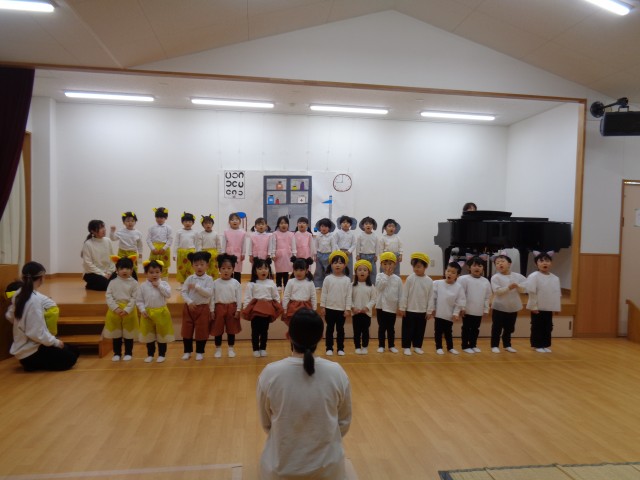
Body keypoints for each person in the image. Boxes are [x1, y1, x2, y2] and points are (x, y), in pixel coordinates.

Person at [257, 308, 352, 480]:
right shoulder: (336, 372)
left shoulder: (270, 373)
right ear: (321, 337)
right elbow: (344, 422)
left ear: (288, 335)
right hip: (329, 472)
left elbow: (266, 424)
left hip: (280, 472)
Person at [6, 262, 79, 371]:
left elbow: (9, 316)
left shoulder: (18, 293)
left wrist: (22, 325)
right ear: (41, 278)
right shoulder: (34, 300)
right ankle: (33, 365)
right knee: (71, 358)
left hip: (27, 348)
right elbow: (36, 333)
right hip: (30, 353)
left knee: (73, 350)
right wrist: (55, 342)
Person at [242, 257, 283, 357]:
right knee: (255, 331)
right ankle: (255, 348)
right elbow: (248, 297)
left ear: (269, 270)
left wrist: (276, 307)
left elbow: (276, 296)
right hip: (255, 310)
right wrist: (247, 309)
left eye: (265, 268)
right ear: (255, 271)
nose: (263, 271)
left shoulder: (271, 283)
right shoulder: (252, 284)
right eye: (260, 269)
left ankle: (263, 348)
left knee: (264, 331)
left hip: (267, 310)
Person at [137, 260, 174, 363]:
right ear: (146, 273)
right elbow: (139, 300)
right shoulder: (143, 286)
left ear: (161, 272)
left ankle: (162, 354)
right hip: (148, 314)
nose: (154, 275)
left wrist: (159, 286)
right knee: (149, 336)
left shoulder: (164, 284)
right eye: (151, 272)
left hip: (162, 312)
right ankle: (150, 354)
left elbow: (168, 295)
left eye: (157, 272)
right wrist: (142, 310)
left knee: (162, 335)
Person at [104, 256, 139, 361]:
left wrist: (127, 310)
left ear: (132, 270)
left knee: (129, 334)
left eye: (127, 268)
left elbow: (135, 298)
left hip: (129, 312)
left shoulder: (134, 283)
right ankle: (117, 353)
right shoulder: (112, 282)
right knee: (116, 334)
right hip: (115, 311)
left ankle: (128, 353)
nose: (125, 271)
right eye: (122, 268)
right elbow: (108, 296)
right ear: (117, 270)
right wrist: (115, 308)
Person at [181, 251, 214, 361]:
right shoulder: (190, 278)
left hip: (203, 308)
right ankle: (187, 351)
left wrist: (197, 287)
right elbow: (183, 292)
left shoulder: (209, 279)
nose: (199, 267)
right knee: (187, 330)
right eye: (196, 265)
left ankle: (200, 352)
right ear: (192, 266)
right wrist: (189, 302)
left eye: (202, 264)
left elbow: (208, 293)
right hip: (189, 308)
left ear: (207, 265)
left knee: (201, 331)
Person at [526, 252, 561, 353]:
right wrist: (533, 306)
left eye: (547, 261)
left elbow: (557, 294)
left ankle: (545, 344)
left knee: (548, 326)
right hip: (537, 307)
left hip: (549, 307)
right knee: (537, 326)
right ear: (536, 263)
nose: (544, 263)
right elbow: (531, 292)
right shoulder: (534, 276)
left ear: (551, 263)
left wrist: (556, 307)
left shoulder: (555, 278)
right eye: (541, 261)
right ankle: (537, 345)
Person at [490, 254, 526, 353]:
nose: (500, 264)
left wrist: (518, 286)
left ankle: (507, 345)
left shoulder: (518, 276)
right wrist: (509, 287)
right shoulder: (495, 277)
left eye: (502, 261)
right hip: (499, 307)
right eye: (497, 263)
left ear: (509, 264)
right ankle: (494, 345)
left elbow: (525, 288)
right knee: (497, 327)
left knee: (509, 328)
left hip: (513, 306)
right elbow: (497, 291)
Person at [399, 252, 433, 355]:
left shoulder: (429, 281)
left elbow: (431, 297)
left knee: (420, 330)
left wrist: (429, 311)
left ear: (425, 267)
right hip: (410, 310)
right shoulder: (410, 278)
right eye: (414, 267)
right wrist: (402, 308)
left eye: (418, 266)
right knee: (407, 330)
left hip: (422, 310)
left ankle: (417, 346)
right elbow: (405, 294)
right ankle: (406, 347)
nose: (416, 269)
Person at [428, 262, 466, 355]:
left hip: (449, 314)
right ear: (445, 271)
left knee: (448, 332)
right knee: (438, 332)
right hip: (439, 313)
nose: (449, 274)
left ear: (457, 275)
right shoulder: (437, 283)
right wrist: (432, 308)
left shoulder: (458, 287)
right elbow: (433, 297)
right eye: (448, 271)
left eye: (453, 272)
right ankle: (439, 347)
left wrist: (456, 313)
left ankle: (450, 348)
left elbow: (460, 301)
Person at [320, 251, 352, 356]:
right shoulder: (328, 279)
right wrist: (323, 306)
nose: (337, 265)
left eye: (340, 263)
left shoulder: (347, 280)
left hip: (341, 310)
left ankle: (340, 348)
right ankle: (329, 348)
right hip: (329, 308)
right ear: (331, 264)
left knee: (340, 330)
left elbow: (348, 296)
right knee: (329, 329)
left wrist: (347, 308)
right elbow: (324, 293)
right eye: (335, 262)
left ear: (345, 265)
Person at [210, 254, 242, 358]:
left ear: (233, 269)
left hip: (232, 308)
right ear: (219, 269)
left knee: (231, 330)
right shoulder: (215, 283)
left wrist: (238, 309)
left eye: (229, 268)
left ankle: (231, 349)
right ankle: (218, 349)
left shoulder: (235, 283)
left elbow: (239, 297)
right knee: (217, 329)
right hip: (218, 308)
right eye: (223, 268)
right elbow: (212, 297)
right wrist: (211, 310)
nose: (226, 271)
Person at [458, 256, 492, 354]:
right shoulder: (463, 279)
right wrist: (462, 307)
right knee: (466, 328)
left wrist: (486, 309)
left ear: (483, 268)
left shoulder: (485, 281)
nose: (477, 268)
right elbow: (460, 295)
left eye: (480, 266)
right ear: (469, 267)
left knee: (475, 329)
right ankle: (465, 346)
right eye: (474, 266)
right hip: (467, 310)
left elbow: (487, 297)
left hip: (478, 310)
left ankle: (473, 345)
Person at [376, 252, 402, 353]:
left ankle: (391, 345)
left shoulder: (398, 279)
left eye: (390, 263)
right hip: (381, 307)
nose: (388, 266)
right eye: (385, 264)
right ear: (381, 265)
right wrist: (386, 276)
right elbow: (379, 287)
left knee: (391, 328)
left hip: (392, 307)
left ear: (395, 264)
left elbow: (400, 294)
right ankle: (381, 345)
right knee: (382, 327)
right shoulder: (379, 276)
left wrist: (400, 307)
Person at [282, 257, 317, 334]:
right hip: (293, 307)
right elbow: (286, 296)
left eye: (301, 270)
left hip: (306, 307)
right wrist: (284, 308)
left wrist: (314, 309)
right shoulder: (291, 282)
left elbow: (313, 297)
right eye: (296, 270)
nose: (298, 272)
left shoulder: (310, 282)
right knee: (294, 327)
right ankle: (294, 339)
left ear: (306, 270)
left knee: (305, 327)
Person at [81, 219, 115, 291]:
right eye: (100, 228)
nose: (104, 230)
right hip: (92, 273)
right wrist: (103, 274)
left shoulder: (108, 241)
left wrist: (109, 272)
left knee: (121, 279)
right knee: (106, 285)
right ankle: (90, 285)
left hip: (107, 272)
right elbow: (88, 264)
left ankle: (98, 283)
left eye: (103, 227)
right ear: (92, 231)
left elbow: (112, 259)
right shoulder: (88, 244)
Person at [351, 259, 376, 355]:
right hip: (356, 313)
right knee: (356, 331)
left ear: (368, 273)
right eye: (360, 270)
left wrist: (367, 307)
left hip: (366, 314)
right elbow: (349, 298)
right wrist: (353, 307)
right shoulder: (352, 285)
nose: (362, 272)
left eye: (365, 270)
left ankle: (365, 347)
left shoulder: (371, 286)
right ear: (356, 272)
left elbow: (374, 299)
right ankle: (357, 347)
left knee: (365, 331)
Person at [109, 211, 143, 279]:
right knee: (120, 266)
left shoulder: (138, 233)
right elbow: (113, 239)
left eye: (132, 221)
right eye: (127, 221)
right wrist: (112, 231)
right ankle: (119, 280)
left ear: (135, 222)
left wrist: (140, 254)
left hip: (132, 253)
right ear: (124, 222)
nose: (130, 223)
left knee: (133, 267)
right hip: (122, 252)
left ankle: (134, 281)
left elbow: (140, 245)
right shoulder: (121, 231)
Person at [270, 215, 296, 290]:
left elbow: (293, 245)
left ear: (288, 224)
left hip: (288, 255)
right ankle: (278, 285)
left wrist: (294, 254)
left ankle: (286, 285)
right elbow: (273, 245)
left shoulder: (291, 234)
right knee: (278, 270)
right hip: (278, 255)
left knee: (286, 271)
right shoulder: (275, 234)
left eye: (285, 223)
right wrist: (273, 254)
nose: (283, 225)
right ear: (278, 225)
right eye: (281, 223)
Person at [146, 207, 173, 280]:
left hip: (164, 250)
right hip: (154, 250)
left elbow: (170, 239)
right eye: (157, 217)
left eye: (161, 217)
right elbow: (148, 239)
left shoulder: (168, 228)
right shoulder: (151, 228)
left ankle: (164, 281)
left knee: (164, 266)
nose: (159, 219)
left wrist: (164, 248)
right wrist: (153, 248)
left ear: (165, 218)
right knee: (153, 265)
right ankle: (152, 280)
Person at [221, 212, 246, 283]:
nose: (234, 221)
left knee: (237, 271)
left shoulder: (243, 232)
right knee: (229, 269)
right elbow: (224, 243)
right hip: (228, 254)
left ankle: (237, 285)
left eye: (236, 219)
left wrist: (243, 253)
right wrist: (223, 253)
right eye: (232, 220)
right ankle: (229, 284)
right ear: (229, 222)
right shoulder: (226, 232)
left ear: (239, 221)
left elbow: (244, 244)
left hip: (238, 254)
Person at [313, 218, 337, 289]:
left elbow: (333, 246)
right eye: (322, 226)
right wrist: (315, 255)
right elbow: (316, 246)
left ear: (329, 228)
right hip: (319, 255)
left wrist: (333, 256)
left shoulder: (331, 236)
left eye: (326, 226)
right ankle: (318, 284)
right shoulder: (318, 236)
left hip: (328, 255)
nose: (324, 228)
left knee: (328, 270)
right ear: (319, 227)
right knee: (319, 270)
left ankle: (328, 285)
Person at [196, 214, 221, 279]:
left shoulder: (215, 234)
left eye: (209, 223)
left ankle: (214, 281)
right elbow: (199, 245)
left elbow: (218, 245)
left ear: (212, 224)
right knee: (204, 268)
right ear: (203, 225)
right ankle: (204, 281)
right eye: (205, 223)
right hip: (204, 254)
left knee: (214, 269)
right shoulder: (201, 234)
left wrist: (219, 254)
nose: (208, 225)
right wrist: (199, 254)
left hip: (214, 254)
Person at [174, 212, 197, 284]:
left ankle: (189, 283)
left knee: (191, 268)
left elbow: (196, 244)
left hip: (191, 253)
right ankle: (182, 284)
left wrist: (197, 254)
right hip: (181, 253)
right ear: (182, 222)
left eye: (190, 222)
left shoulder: (195, 232)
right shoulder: (179, 232)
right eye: (186, 221)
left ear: (193, 223)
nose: (187, 223)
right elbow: (176, 243)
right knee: (181, 268)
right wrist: (174, 254)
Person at [356, 216, 379, 284]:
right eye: (366, 224)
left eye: (370, 224)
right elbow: (358, 246)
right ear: (363, 226)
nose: (368, 225)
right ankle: (363, 282)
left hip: (372, 256)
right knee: (363, 270)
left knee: (373, 271)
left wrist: (376, 255)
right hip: (363, 256)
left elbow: (377, 246)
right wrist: (357, 255)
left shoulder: (375, 236)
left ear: (373, 226)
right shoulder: (360, 235)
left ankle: (372, 284)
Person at [334, 215, 357, 279]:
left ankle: (349, 280)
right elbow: (335, 243)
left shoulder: (352, 234)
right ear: (340, 224)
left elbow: (354, 244)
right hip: (339, 253)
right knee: (340, 266)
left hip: (348, 253)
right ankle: (339, 279)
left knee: (349, 267)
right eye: (343, 222)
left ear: (350, 225)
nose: (345, 224)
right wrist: (339, 251)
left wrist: (349, 251)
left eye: (347, 223)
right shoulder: (338, 233)